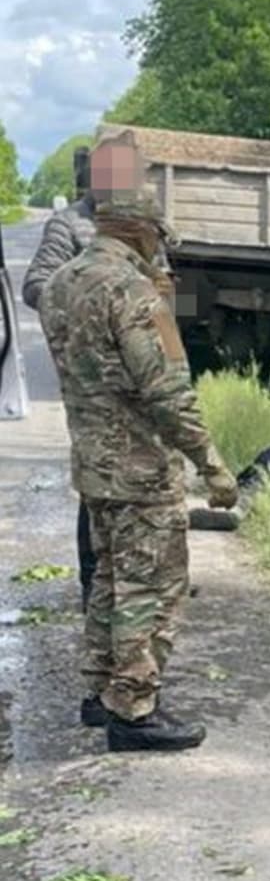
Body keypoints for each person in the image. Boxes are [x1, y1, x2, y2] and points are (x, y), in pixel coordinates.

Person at [38, 140, 238, 752]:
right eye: (159, 237)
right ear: (143, 230)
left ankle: (100, 693)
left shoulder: (63, 283)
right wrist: (212, 465)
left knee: (109, 582)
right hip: (141, 469)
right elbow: (166, 391)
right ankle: (134, 710)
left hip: (92, 464)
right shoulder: (134, 293)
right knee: (153, 586)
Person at [22, 145, 99, 609]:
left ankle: (134, 584)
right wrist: (90, 301)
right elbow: (35, 287)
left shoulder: (143, 226)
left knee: (145, 481)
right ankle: (93, 587)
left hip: (141, 372)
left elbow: (169, 296)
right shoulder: (69, 224)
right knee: (97, 480)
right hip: (90, 375)